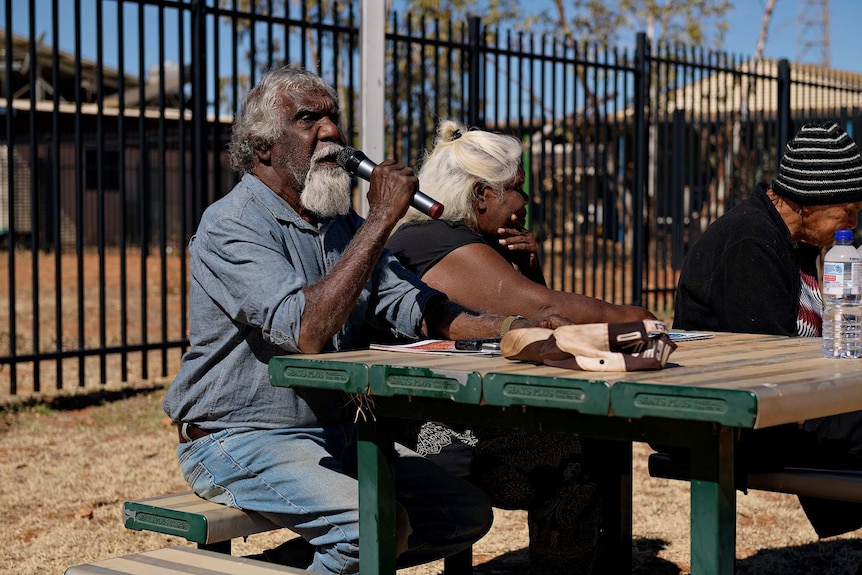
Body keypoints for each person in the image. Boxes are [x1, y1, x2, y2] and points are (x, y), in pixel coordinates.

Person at [161, 66, 571, 575]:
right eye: (308, 119)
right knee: (367, 527)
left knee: (462, 513)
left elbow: (413, 306)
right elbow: (305, 330)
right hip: (239, 437)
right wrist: (380, 220)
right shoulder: (232, 223)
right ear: (263, 146)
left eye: (334, 117)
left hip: (333, 433)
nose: (331, 131)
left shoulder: (341, 225)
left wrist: (511, 328)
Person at [385, 119, 657, 575]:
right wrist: (638, 315)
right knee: (578, 448)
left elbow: (532, 326)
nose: (525, 202)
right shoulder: (438, 243)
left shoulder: (452, 239)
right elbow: (547, 307)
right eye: (516, 189)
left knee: (586, 431)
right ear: (480, 195)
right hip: (422, 432)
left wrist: (528, 267)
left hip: (453, 410)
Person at [673, 120, 862, 538]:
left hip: (776, 404)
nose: (851, 224)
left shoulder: (790, 240)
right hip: (731, 420)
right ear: (808, 202)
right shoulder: (752, 244)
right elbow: (772, 369)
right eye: (847, 211)